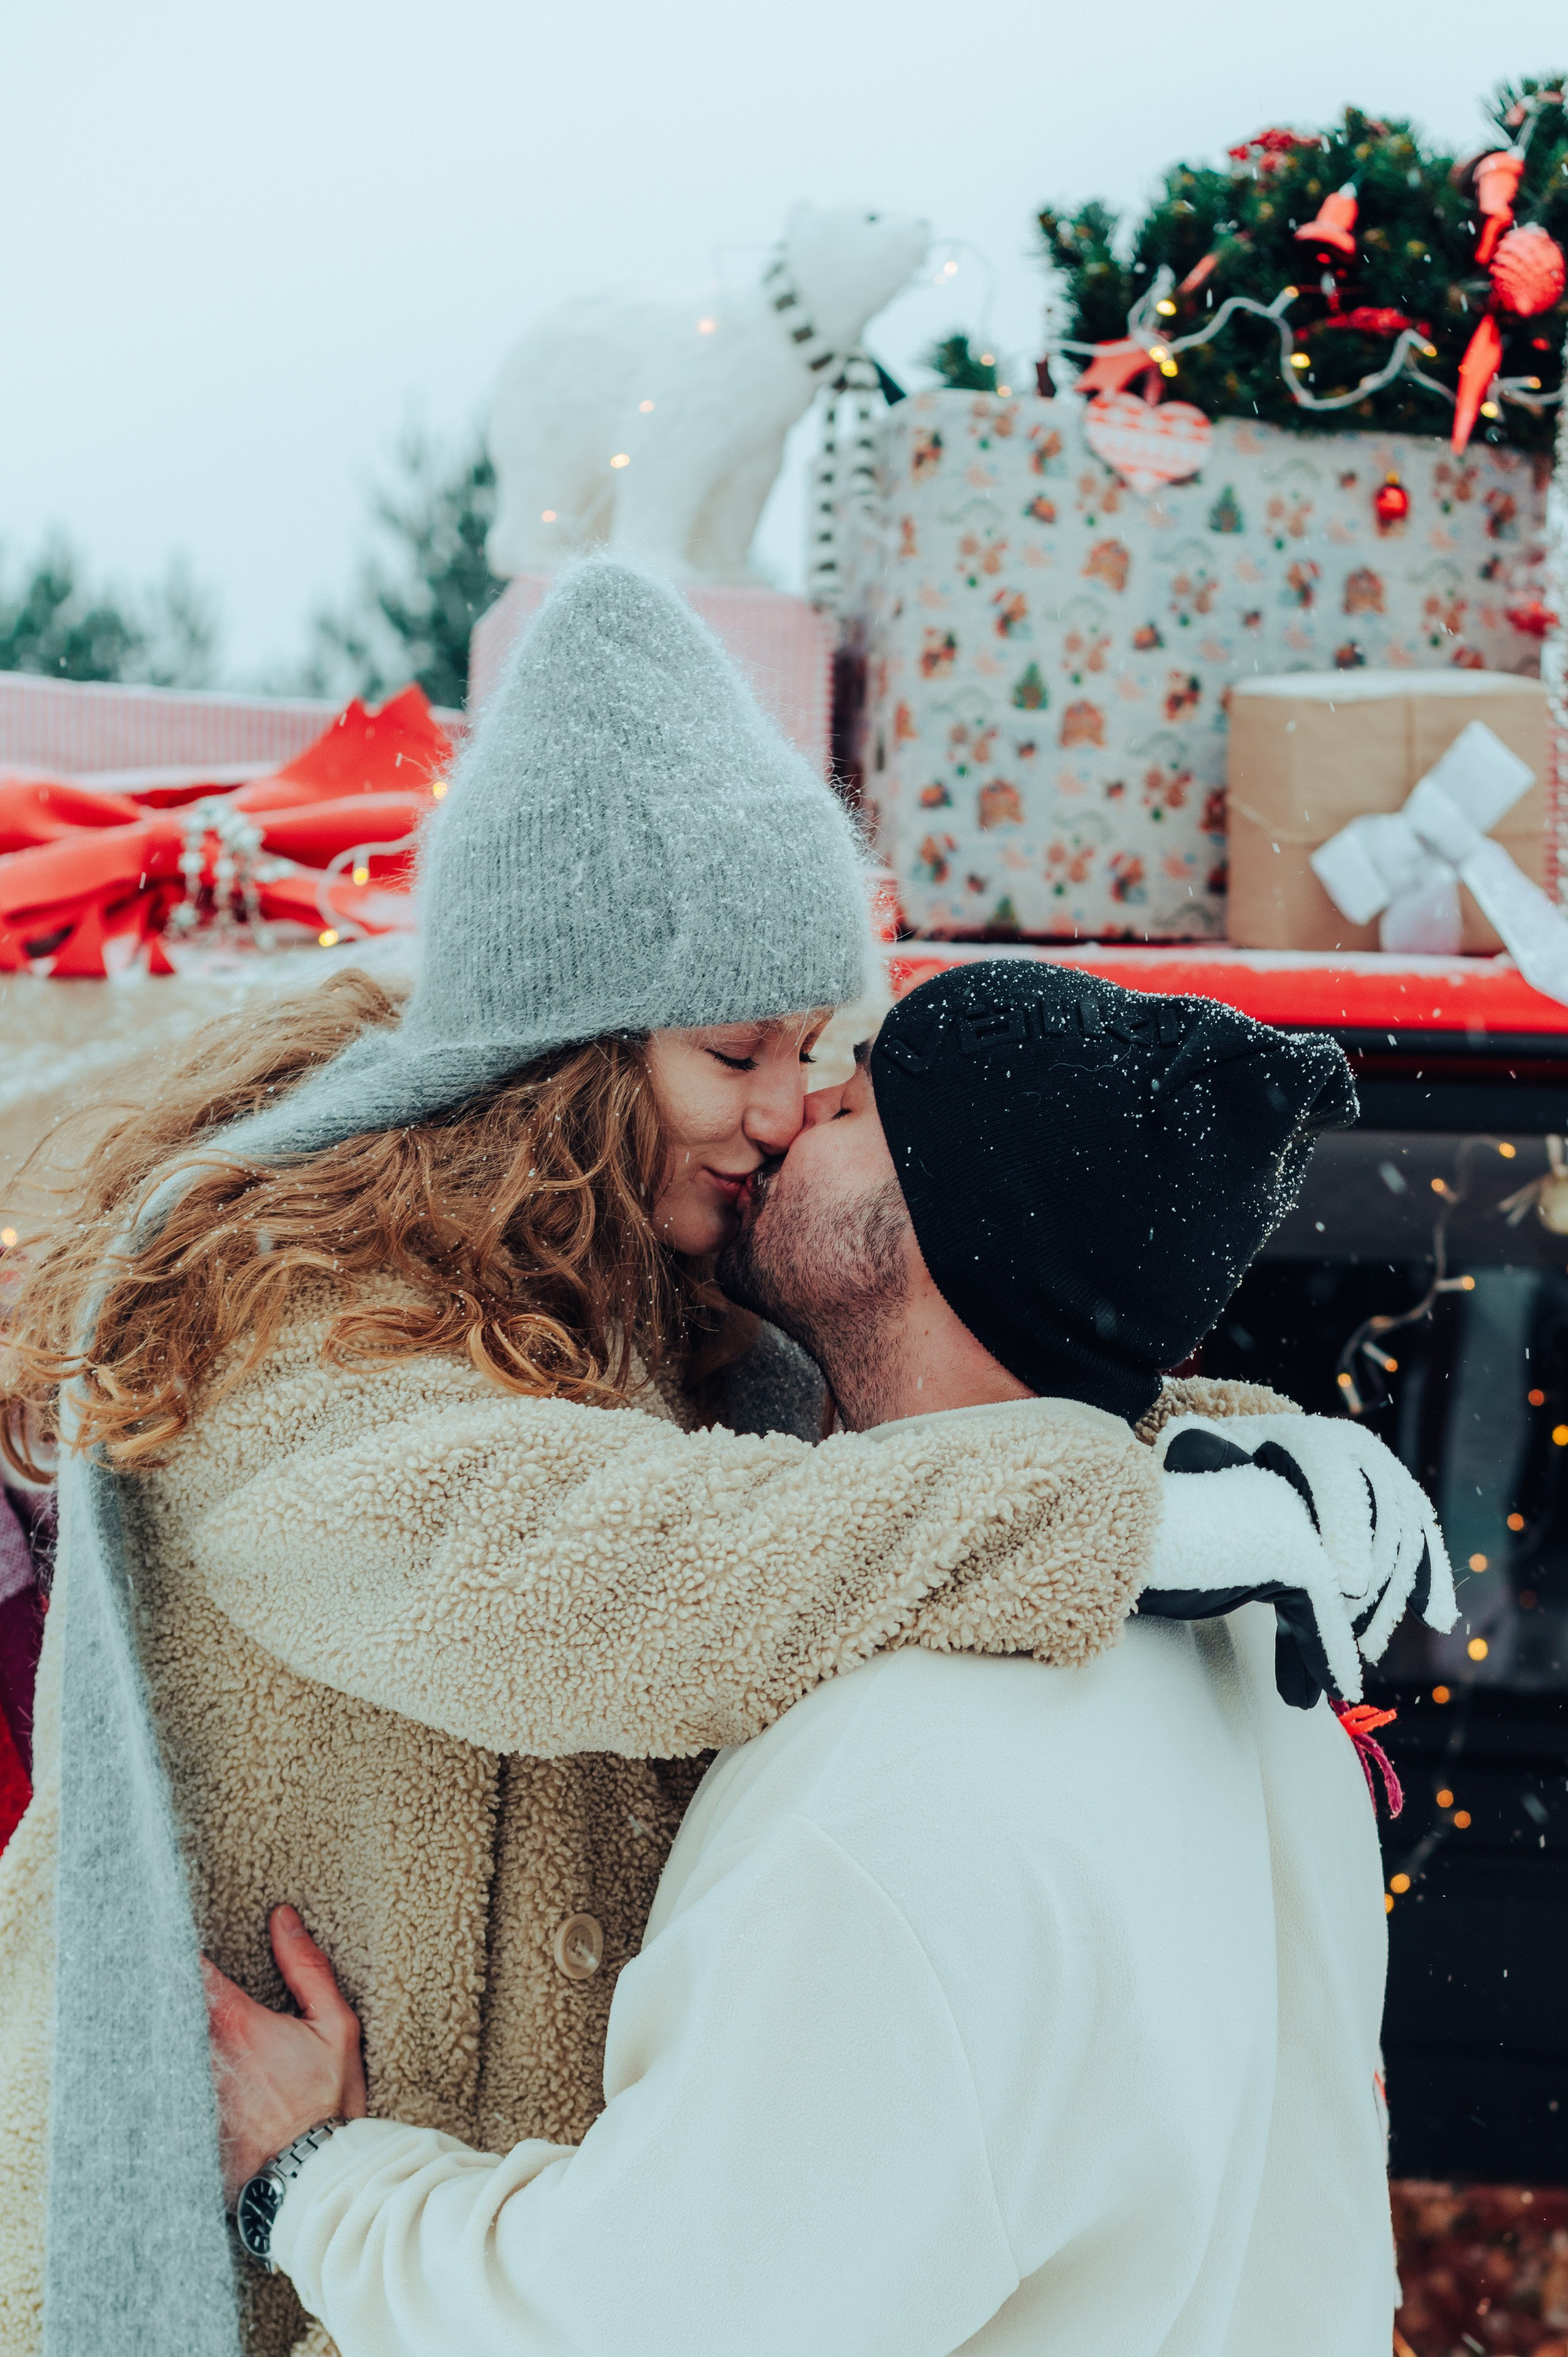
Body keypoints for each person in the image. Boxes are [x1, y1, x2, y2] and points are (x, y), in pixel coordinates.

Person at [0, 565, 1364, 2357]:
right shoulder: (287, 1312)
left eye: (813, 1050)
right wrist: (1134, 1512)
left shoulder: (673, 1312)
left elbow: (971, 1375)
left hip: (466, 2256)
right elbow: (582, 1583)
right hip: (225, 2214)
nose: (788, 1105)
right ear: (563, 1060)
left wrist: (1264, 1465)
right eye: (738, 1050)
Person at [203, 959, 1453, 2357]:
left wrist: (314, 2184)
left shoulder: (917, 1782)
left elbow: (643, 2325)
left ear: (931, 1222)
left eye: (848, 1099)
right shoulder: (1246, 1656)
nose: (790, 1117)